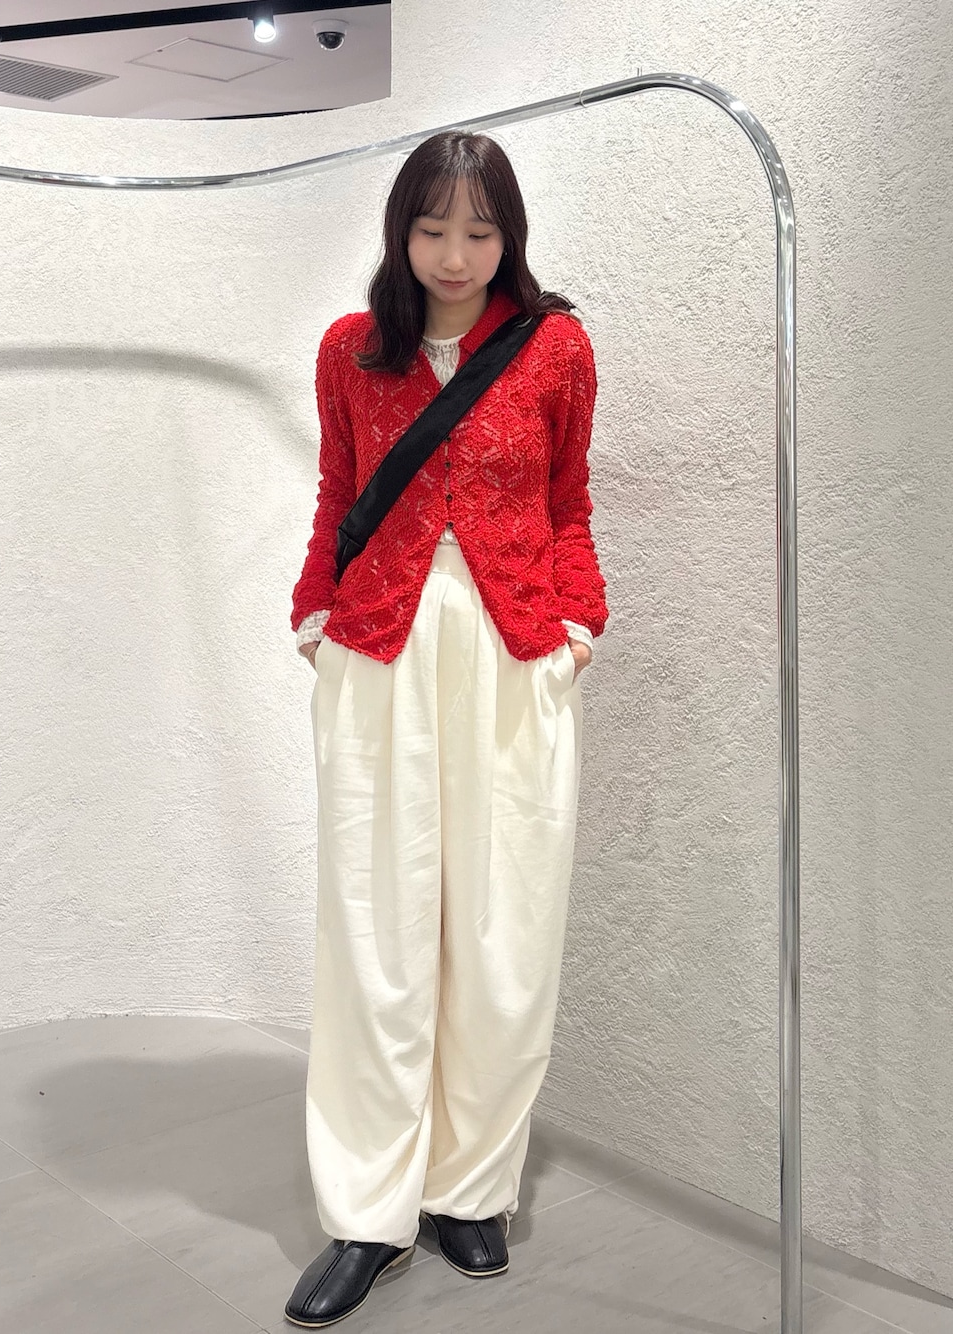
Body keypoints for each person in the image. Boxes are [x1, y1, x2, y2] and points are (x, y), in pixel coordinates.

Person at [285, 129, 608, 1329]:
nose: (456, 254)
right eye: (433, 229)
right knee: (375, 931)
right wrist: (313, 610)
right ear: (400, 232)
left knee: (503, 925)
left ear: (509, 235)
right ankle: (366, 1210)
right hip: (378, 650)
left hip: (514, 653)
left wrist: (577, 620)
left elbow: (568, 498)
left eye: (480, 230)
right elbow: (338, 490)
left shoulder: (555, 348)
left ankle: (468, 1184)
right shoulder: (350, 351)